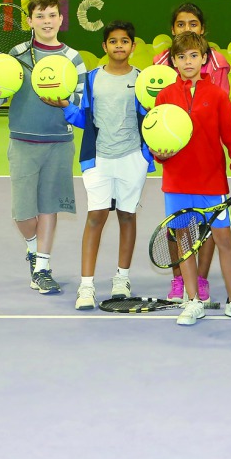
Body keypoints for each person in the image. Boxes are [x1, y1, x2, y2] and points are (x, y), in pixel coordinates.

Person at [0, 0, 86, 295]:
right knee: (23, 213)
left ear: (61, 19)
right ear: (29, 21)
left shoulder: (72, 57)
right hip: (23, 141)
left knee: (49, 207)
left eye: (52, 15)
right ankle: (33, 248)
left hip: (59, 142)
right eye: (40, 16)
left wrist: (66, 102)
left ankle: (42, 268)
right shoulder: (16, 53)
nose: (47, 21)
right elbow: (2, 93)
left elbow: (80, 100)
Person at [150, 31, 231, 326]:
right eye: (181, 56)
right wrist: (161, 155)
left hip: (212, 183)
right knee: (185, 242)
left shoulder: (218, 95)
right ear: (174, 62)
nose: (188, 61)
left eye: (194, 55)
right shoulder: (165, 96)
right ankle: (193, 301)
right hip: (177, 184)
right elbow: (158, 142)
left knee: (224, 240)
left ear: (204, 59)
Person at [62, 20, 155, 310]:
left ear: (133, 46)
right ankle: (86, 286)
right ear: (104, 47)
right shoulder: (91, 79)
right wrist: (64, 106)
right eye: (113, 41)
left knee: (127, 217)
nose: (118, 46)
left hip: (132, 159)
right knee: (96, 217)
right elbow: (83, 119)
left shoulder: (142, 80)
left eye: (124, 41)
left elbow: (150, 121)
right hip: (98, 159)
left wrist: (146, 155)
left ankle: (121, 279)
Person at [153, 2, 230, 305]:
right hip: (177, 161)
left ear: (202, 29)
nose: (187, 29)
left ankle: (200, 278)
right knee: (179, 228)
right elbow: (157, 113)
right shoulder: (160, 67)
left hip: (208, 163)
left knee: (207, 228)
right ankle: (179, 279)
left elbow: (219, 105)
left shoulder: (219, 64)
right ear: (173, 31)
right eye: (181, 24)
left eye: (193, 24)